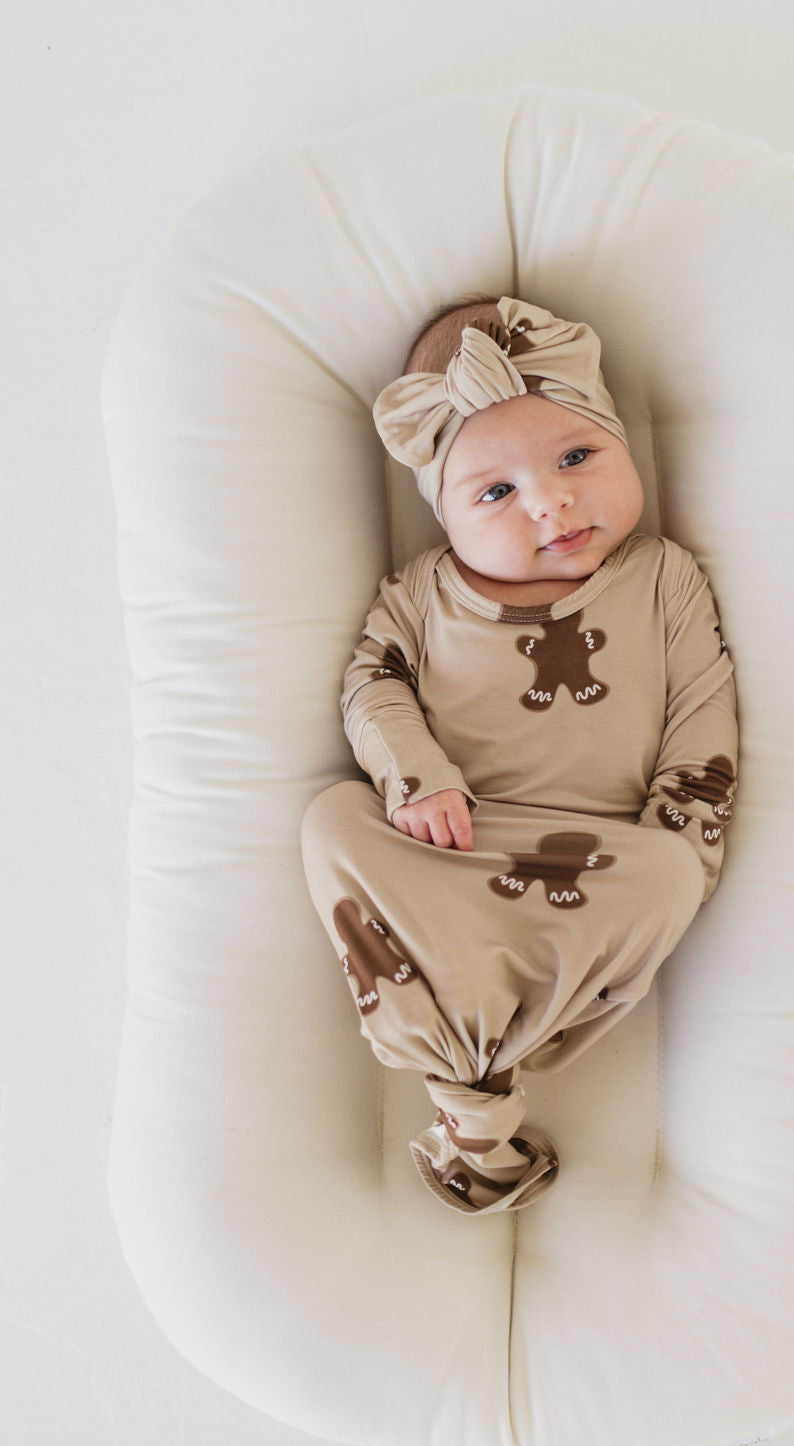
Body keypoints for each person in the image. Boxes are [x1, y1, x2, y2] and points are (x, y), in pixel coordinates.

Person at [301, 295, 738, 1214]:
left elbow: (703, 714)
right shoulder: (419, 594)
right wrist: (414, 775)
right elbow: (370, 688)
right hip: (449, 848)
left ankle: (473, 1068)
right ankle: (471, 1061)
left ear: (621, 444)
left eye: (577, 456)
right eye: (495, 492)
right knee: (331, 818)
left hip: (594, 865)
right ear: (445, 516)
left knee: (670, 873)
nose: (551, 500)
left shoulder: (661, 576)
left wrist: (682, 840)